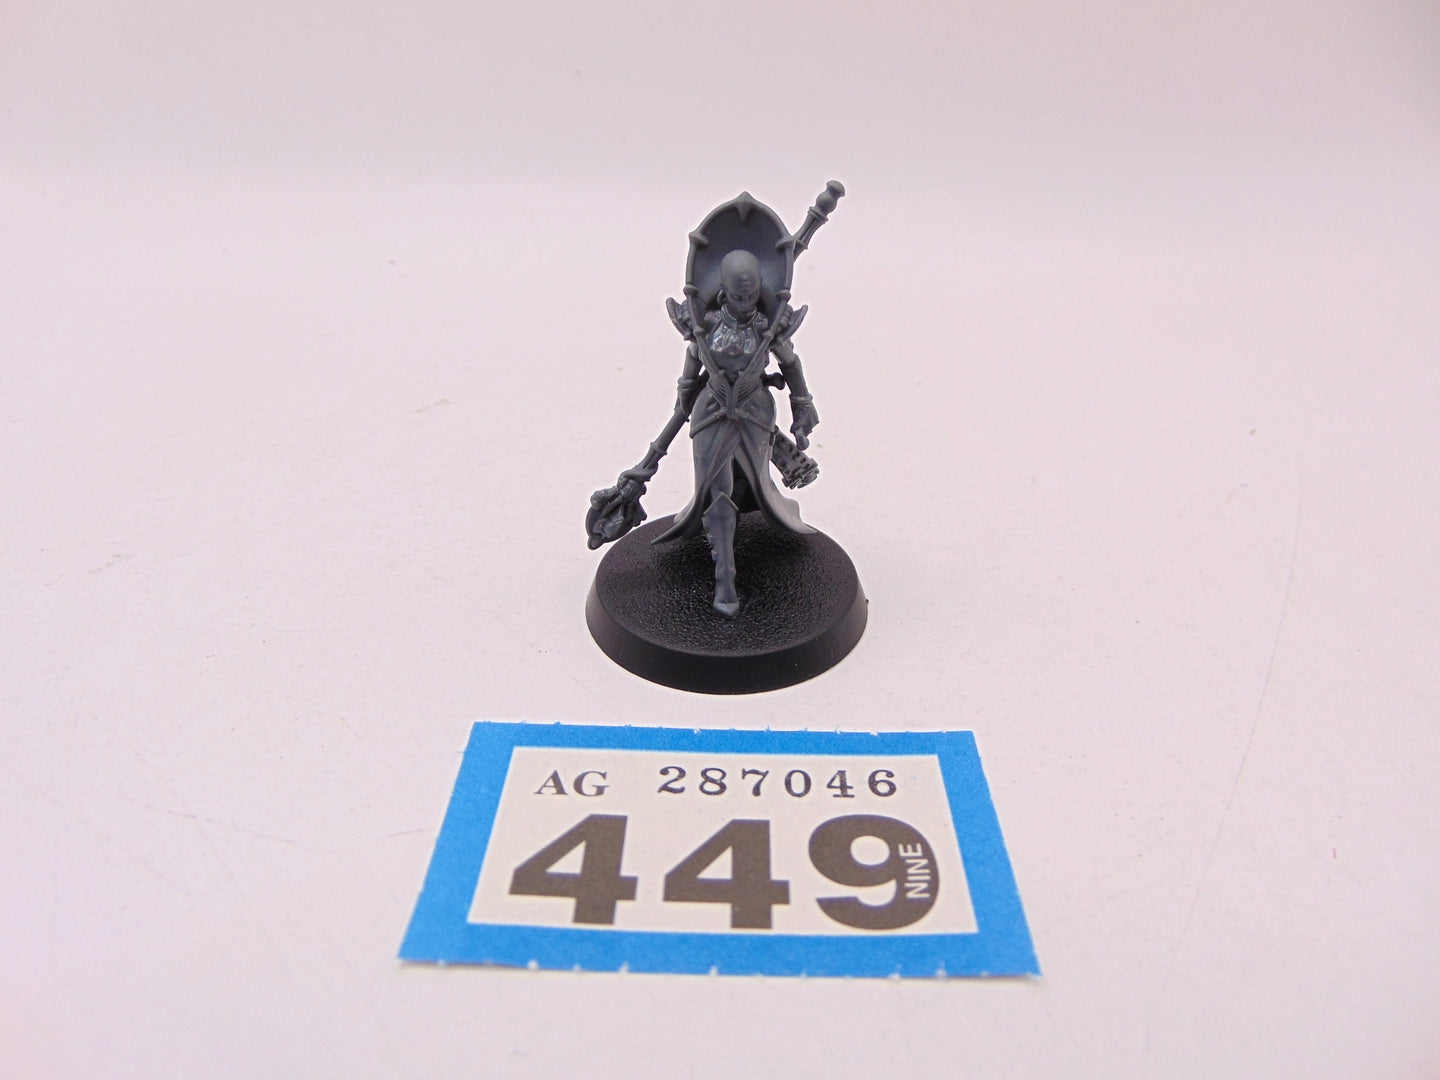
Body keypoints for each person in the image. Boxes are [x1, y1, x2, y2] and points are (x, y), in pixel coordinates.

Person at [652, 248, 821, 616]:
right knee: (717, 490)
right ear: (724, 291)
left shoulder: (767, 328)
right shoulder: (705, 325)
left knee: (753, 480)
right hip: (711, 411)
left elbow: (791, 364)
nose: (746, 303)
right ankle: (725, 579)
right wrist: (683, 398)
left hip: (754, 412)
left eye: (752, 295)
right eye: (738, 295)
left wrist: (802, 404)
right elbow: (691, 366)